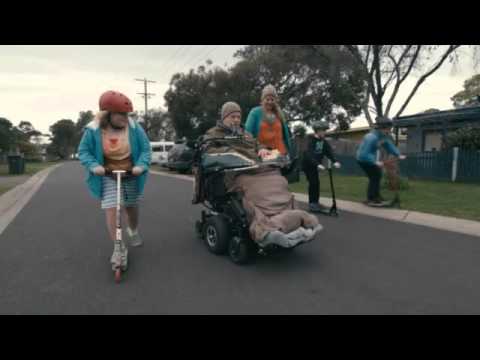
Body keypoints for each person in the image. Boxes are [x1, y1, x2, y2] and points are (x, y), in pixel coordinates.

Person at [197, 101, 322, 248]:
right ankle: (263, 229)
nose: (236, 120)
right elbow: (208, 154)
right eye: (233, 116)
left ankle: (293, 219)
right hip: (234, 173)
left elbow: (258, 145)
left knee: (279, 180)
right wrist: (235, 155)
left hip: (258, 168)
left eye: (238, 117)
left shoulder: (246, 134)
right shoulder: (213, 134)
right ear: (224, 117)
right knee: (255, 189)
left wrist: (263, 150)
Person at [78, 90, 152, 270]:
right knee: (112, 209)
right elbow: (84, 151)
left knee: (131, 207)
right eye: (121, 114)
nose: (125, 118)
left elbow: (146, 149)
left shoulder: (134, 127)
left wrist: (140, 166)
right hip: (107, 174)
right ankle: (119, 248)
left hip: (130, 172)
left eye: (127, 114)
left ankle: (132, 230)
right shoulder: (93, 129)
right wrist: (94, 166)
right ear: (107, 114)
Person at [356, 116, 406, 205]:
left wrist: (398, 154)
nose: (389, 131)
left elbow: (389, 146)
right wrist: (374, 162)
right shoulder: (371, 137)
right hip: (363, 159)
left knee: (376, 176)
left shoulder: (383, 137)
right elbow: (364, 153)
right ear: (381, 128)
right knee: (375, 176)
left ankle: (374, 197)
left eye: (390, 129)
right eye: (388, 129)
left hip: (370, 159)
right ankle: (372, 198)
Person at [302, 120, 341, 213]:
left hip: (316, 166)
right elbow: (308, 155)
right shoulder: (310, 141)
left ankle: (315, 202)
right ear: (317, 131)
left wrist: (335, 161)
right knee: (313, 183)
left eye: (325, 130)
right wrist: (317, 164)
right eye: (323, 130)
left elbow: (329, 152)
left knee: (316, 183)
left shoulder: (323, 141)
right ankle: (312, 204)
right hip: (308, 165)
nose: (325, 132)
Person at [245, 85, 291, 156]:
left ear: (275, 100)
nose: (270, 102)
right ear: (262, 100)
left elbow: (285, 136)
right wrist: (258, 147)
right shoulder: (255, 112)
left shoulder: (279, 114)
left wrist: (289, 150)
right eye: (267, 99)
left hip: (281, 154)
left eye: (272, 99)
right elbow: (247, 133)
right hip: (263, 154)